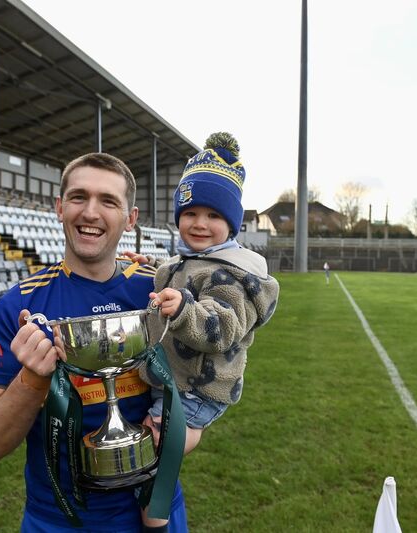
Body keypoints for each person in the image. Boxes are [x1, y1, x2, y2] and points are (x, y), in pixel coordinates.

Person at [0, 152, 188, 532]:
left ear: (130, 219)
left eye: (108, 201)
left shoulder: (158, 291)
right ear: (59, 207)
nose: (90, 212)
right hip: (61, 519)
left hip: (157, 508)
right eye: (78, 197)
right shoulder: (18, 307)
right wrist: (32, 381)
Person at [123, 133, 280, 530]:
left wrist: (184, 309)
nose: (200, 224)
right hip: (174, 379)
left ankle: (156, 517)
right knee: (151, 448)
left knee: (159, 445)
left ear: (232, 223)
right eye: (191, 213)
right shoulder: (191, 260)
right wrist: (151, 266)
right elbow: (184, 274)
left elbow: (221, 325)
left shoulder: (233, 273)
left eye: (213, 216)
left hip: (197, 388)